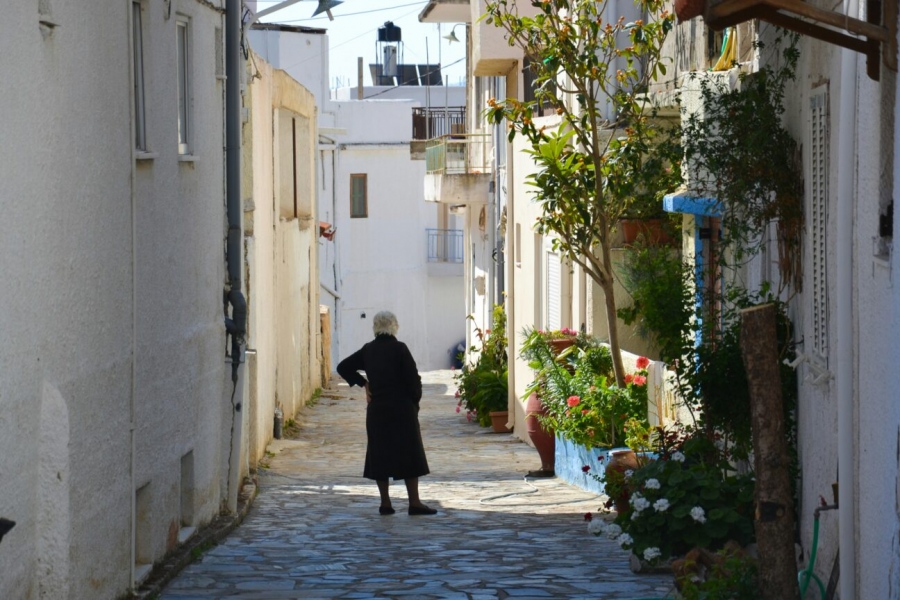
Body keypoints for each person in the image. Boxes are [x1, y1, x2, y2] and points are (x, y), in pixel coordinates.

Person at [336, 311, 438, 516]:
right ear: (394, 326)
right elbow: (413, 380)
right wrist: (415, 403)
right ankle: (414, 503)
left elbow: (343, 367)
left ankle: (385, 503)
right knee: (410, 454)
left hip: (378, 410)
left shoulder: (368, 350)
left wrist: (364, 383)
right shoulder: (400, 349)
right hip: (402, 410)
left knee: (379, 454)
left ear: (375, 327)